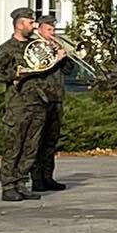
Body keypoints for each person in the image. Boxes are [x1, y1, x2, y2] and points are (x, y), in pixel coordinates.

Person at [0, 8, 51, 202]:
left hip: (37, 103)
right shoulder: (7, 48)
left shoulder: (37, 45)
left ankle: (21, 183)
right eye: (30, 23)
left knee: (31, 147)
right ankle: (8, 185)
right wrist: (13, 76)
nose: (34, 26)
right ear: (20, 24)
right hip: (17, 106)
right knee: (14, 147)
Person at [30, 17, 70, 192]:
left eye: (53, 30)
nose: (52, 34)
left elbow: (68, 70)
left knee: (51, 141)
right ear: (39, 30)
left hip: (56, 98)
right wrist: (55, 58)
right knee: (38, 141)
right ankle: (36, 179)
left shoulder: (55, 47)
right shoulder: (34, 47)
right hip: (41, 98)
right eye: (48, 30)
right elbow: (39, 68)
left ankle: (48, 176)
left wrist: (62, 56)